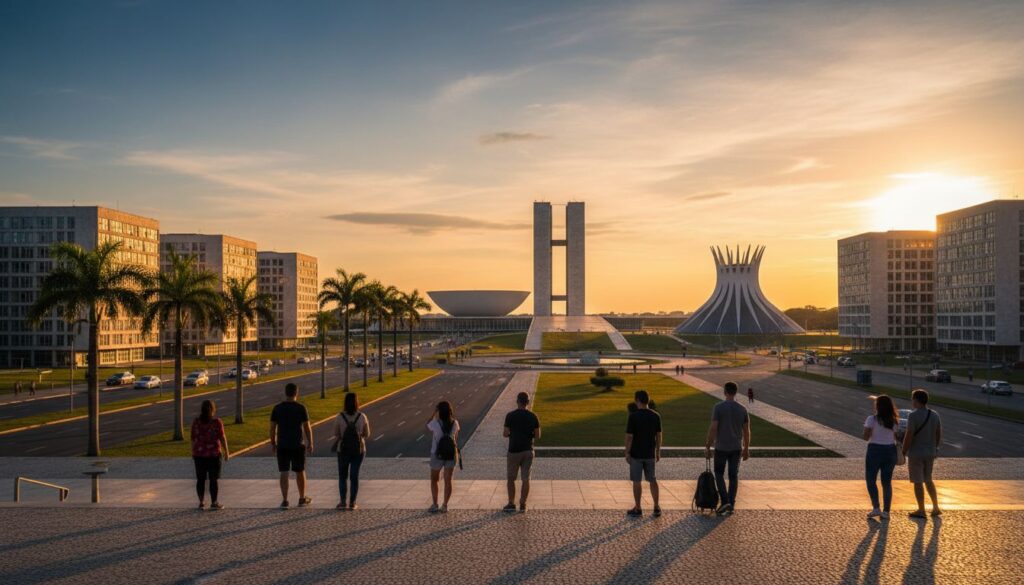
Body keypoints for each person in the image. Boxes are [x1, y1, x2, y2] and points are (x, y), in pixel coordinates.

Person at [704, 381, 750, 516]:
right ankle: (731, 503)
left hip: (721, 447)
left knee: (719, 474)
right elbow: (747, 431)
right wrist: (746, 448)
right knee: (733, 475)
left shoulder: (718, 408)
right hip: (736, 447)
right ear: (736, 392)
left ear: (725, 392)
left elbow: (713, 428)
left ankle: (725, 501)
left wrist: (708, 444)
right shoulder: (742, 409)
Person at [270, 383, 313, 509]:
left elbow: (272, 428)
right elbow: (307, 427)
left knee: (284, 472)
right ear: (296, 393)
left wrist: (273, 443)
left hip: (282, 445)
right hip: (297, 444)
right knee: (300, 471)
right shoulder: (301, 408)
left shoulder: (277, 408)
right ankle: (301, 498)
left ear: (285, 392)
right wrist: (311, 442)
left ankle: (285, 500)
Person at [902, 389, 942, 519]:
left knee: (918, 481)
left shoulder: (913, 416)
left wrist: (903, 451)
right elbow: (938, 433)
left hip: (916, 453)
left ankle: (921, 509)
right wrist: (935, 447)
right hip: (930, 452)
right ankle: (936, 507)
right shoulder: (935, 415)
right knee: (928, 479)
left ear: (917, 400)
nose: (911, 401)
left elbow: (909, 435)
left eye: (912, 399)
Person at [625, 390, 662, 518]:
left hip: (636, 454)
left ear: (637, 400)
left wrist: (627, 452)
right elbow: (659, 435)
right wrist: (658, 451)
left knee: (637, 481)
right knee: (652, 480)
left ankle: (638, 508)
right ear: (648, 400)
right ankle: (656, 507)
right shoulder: (655, 415)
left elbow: (630, 437)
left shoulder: (633, 416)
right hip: (650, 453)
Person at [503, 391, 541, 513]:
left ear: (517, 401)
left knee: (511, 478)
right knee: (526, 479)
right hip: (528, 450)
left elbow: (505, 433)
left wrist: (512, 433)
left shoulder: (510, 415)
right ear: (528, 402)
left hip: (514, 450)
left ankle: (511, 503)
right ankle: (523, 504)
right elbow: (538, 435)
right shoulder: (533, 416)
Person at [863, 394, 899, 520]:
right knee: (886, 482)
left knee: (871, 480)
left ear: (877, 406)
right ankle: (886, 511)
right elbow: (895, 437)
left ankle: (876, 507)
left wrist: (869, 431)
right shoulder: (894, 421)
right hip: (890, 450)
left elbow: (865, 437)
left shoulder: (872, 419)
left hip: (875, 450)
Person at [331, 392, 370, 510]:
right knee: (354, 476)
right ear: (356, 403)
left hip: (342, 450)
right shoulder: (362, 416)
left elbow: (336, 434)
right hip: (359, 450)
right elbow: (367, 434)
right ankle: (352, 503)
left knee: (342, 476)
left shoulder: (339, 417)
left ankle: (343, 502)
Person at [191, 399, 229, 510]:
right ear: (213, 410)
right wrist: (227, 451)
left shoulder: (196, 422)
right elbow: (222, 437)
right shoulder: (217, 422)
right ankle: (214, 502)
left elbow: (193, 439)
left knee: (200, 479)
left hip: (199, 455)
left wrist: (193, 452)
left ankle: (201, 502)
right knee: (213, 479)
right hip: (214, 455)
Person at [427, 401, 460, 513]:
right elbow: (456, 438)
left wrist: (434, 412)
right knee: (448, 480)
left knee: (434, 479)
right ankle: (445, 505)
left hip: (437, 453)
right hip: (451, 454)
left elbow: (428, 423)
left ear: (439, 412)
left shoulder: (435, 423)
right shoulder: (455, 423)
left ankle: (435, 504)